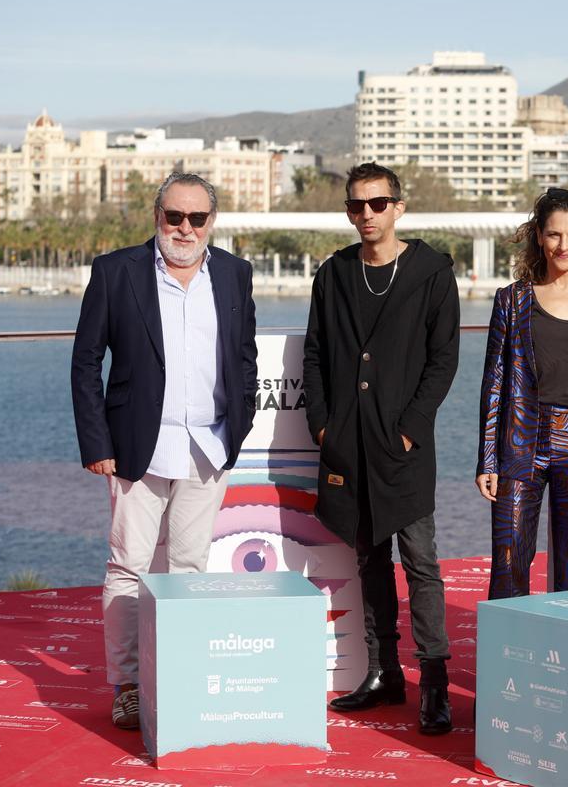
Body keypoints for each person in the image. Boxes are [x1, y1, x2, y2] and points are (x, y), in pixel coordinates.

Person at [71, 172, 258, 730]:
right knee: (127, 566)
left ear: (211, 222)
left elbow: (243, 357)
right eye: (174, 216)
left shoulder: (233, 273)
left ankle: (178, 672)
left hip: (208, 444)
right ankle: (127, 684)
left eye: (196, 218)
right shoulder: (115, 272)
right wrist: (96, 442)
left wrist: (238, 429)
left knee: (189, 569)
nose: (184, 227)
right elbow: (85, 363)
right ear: (157, 215)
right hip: (135, 448)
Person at [302, 162, 459, 735]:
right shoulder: (335, 274)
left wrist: (412, 426)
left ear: (398, 207)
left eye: (378, 203)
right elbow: (315, 354)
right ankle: (383, 671)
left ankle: (435, 681)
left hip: (404, 446)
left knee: (420, 562)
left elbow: (444, 359)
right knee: (368, 559)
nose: (367, 214)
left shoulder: (432, 271)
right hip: (350, 443)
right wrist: (324, 425)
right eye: (356, 206)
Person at [477, 188, 568, 599]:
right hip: (519, 439)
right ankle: (508, 657)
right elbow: (495, 381)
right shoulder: (512, 299)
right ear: (539, 237)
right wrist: (487, 458)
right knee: (509, 561)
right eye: (554, 235)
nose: (564, 245)